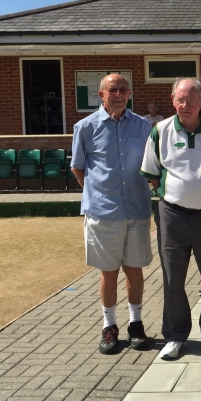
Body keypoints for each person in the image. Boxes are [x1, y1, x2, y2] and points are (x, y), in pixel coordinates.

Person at [140, 78, 201, 360]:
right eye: (180, 100)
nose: (185, 105)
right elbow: (151, 172)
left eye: (191, 100)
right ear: (172, 100)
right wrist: (164, 195)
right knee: (172, 278)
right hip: (172, 215)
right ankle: (176, 336)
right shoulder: (160, 130)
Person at [70, 73, 153, 355]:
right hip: (103, 213)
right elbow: (78, 167)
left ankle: (136, 323)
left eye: (123, 90)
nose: (118, 94)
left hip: (137, 209)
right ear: (101, 95)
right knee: (109, 272)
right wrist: (98, 192)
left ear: (129, 94)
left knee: (135, 270)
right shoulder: (85, 127)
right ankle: (109, 326)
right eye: (112, 90)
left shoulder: (143, 126)